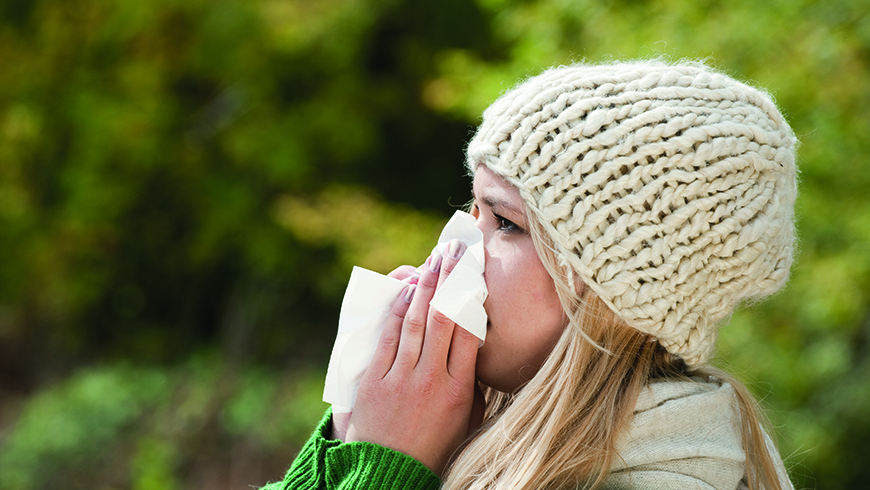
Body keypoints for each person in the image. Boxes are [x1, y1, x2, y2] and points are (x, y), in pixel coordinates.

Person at [263, 60, 798, 490]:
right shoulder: (493, 444)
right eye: (473, 212)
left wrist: (383, 468)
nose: (456, 249)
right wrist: (349, 437)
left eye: (506, 223)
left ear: (617, 288)